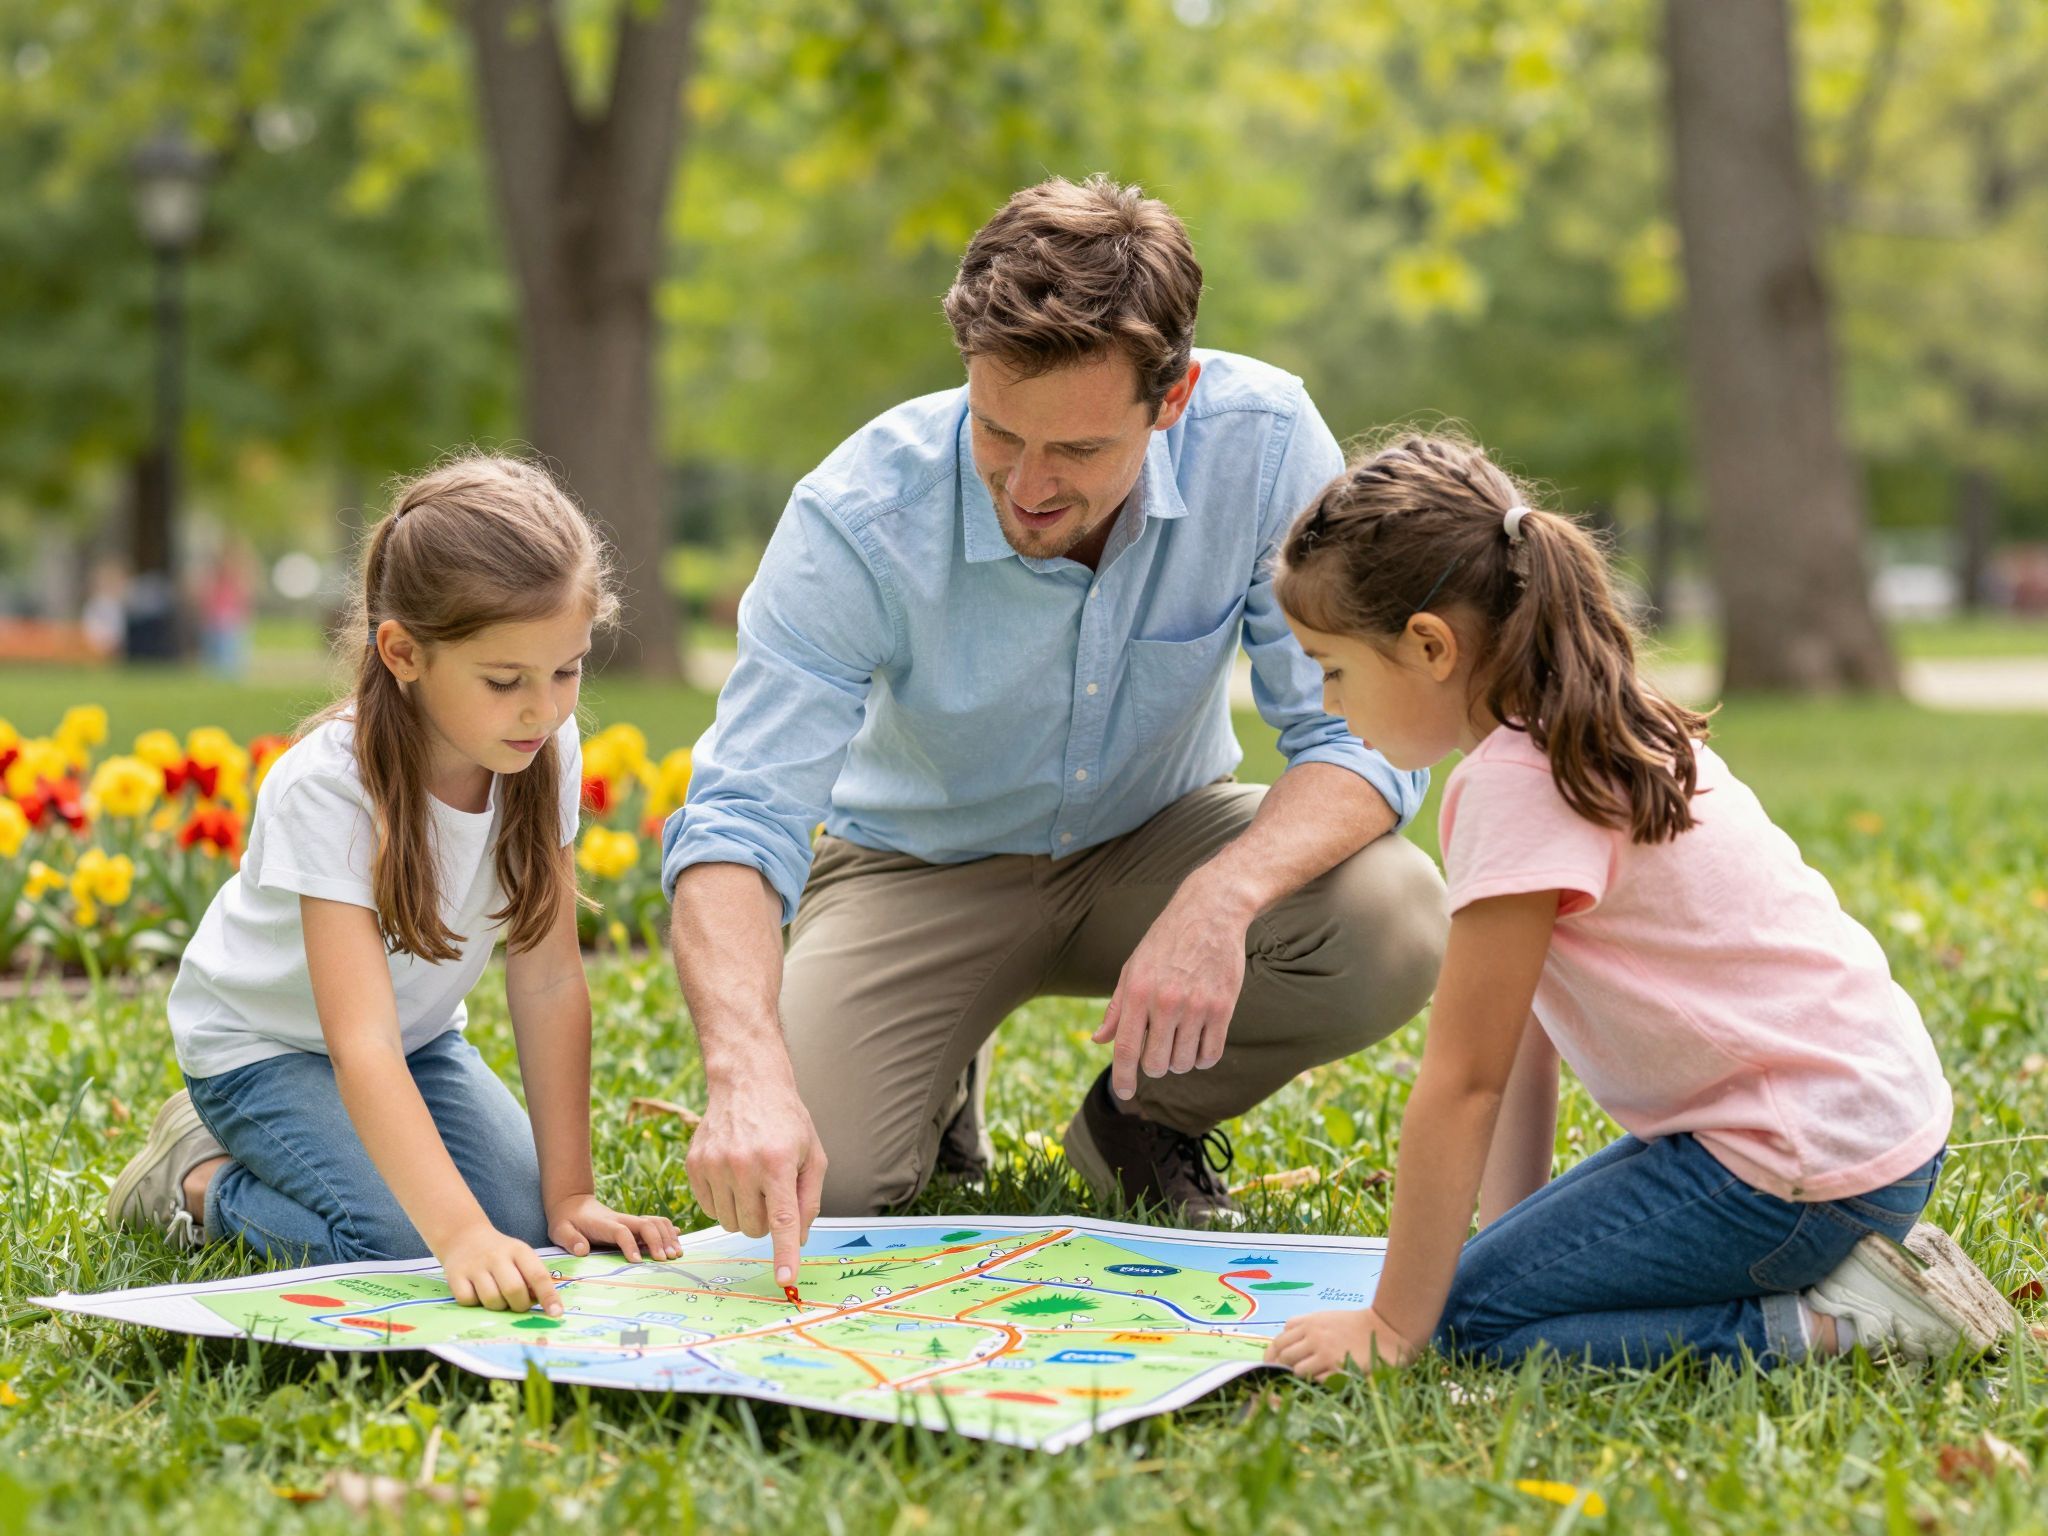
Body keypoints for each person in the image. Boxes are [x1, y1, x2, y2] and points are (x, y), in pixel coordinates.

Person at [664, 176, 1448, 1292]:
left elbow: (1360, 737)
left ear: (1170, 399)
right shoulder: (856, 514)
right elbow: (738, 818)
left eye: (1075, 449)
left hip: (1158, 842)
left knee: (1392, 916)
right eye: (996, 430)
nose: (1027, 487)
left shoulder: (1266, 444)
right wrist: (744, 1073)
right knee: (814, 1191)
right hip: (915, 866)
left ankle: (1140, 1123)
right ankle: (937, 1077)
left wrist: (1222, 897)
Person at [1263, 432, 2014, 1377]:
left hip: (1797, 1169)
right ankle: (1851, 1282)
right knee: (1479, 1291)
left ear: (1429, 645)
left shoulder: (1512, 786)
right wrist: (1515, 1244)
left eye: (1332, 668)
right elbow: (1518, 1047)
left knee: (1465, 1328)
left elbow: (1462, 1083)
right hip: (1866, 1134)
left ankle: (1846, 1329)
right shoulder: (1590, 725)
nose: (1329, 704)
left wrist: (1395, 1324)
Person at [108, 456, 679, 1315]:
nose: (546, 709)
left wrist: (571, 1196)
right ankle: (196, 1180)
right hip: (262, 1051)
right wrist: (456, 1234)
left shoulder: (542, 752)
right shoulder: (329, 788)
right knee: (408, 1247)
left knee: (524, 1228)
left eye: (567, 670)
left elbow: (550, 977)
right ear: (403, 653)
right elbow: (359, 1043)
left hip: (417, 1045)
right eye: (505, 681)